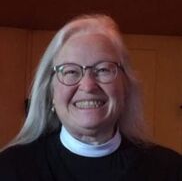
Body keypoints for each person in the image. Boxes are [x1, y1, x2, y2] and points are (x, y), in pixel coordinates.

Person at [0, 14, 181, 181]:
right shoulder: (10, 169)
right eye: (70, 71)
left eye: (103, 69)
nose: (88, 86)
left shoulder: (170, 170)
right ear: (50, 93)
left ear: (125, 87)